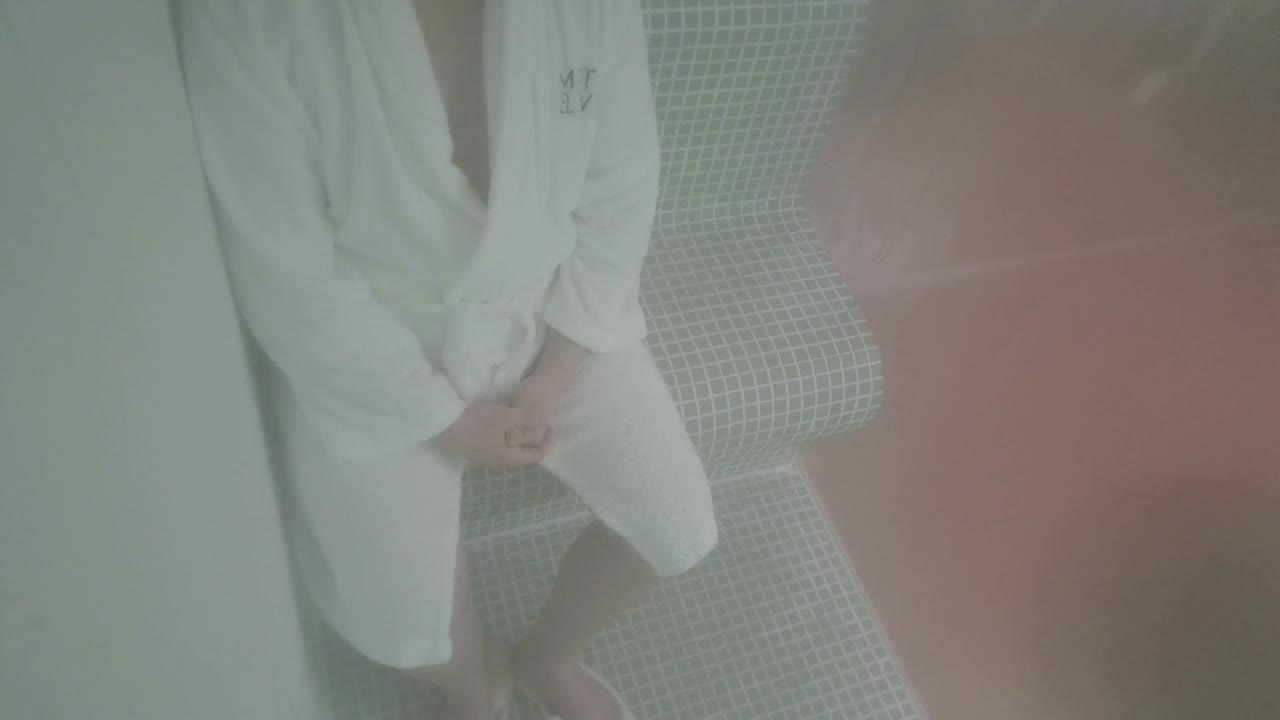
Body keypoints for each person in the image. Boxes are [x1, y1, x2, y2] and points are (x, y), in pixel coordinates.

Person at [177, 1, 719, 718]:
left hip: (548, 313)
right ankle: (474, 687)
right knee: (399, 617)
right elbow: (286, 272)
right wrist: (445, 420)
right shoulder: (251, 18)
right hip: (377, 345)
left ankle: (546, 657)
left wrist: (554, 376)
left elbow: (620, 191)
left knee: (675, 525)